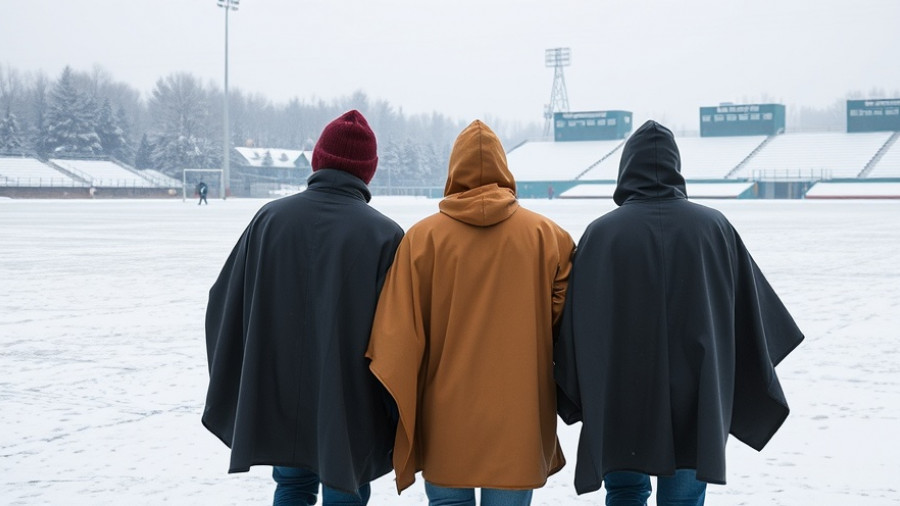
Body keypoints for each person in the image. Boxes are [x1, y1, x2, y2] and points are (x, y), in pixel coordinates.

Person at [554, 120, 804, 505]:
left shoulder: (601, 234)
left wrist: (577, 385)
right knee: (685, 498)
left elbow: (575, 325)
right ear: (675, 166)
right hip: (697, 393)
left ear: (626, 169)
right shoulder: (715, 227)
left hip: (622, 393)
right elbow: (752, 317)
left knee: (625, 491)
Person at [366, 120, 575, 506]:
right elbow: (566, 327)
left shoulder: (421, 240)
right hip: (519, 421)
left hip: (445, 422)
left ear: (453, 171)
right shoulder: (549, 238)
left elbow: (395, 338)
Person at [202, 110, 404, 506]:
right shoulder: (384, 234)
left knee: (292, 487)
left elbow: (222, 302)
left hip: (279, 394)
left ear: (317, 159)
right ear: (370, 170)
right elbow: (400, 332)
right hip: (350, 403)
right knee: (346, 489)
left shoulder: (269, 220)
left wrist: (247, 376)